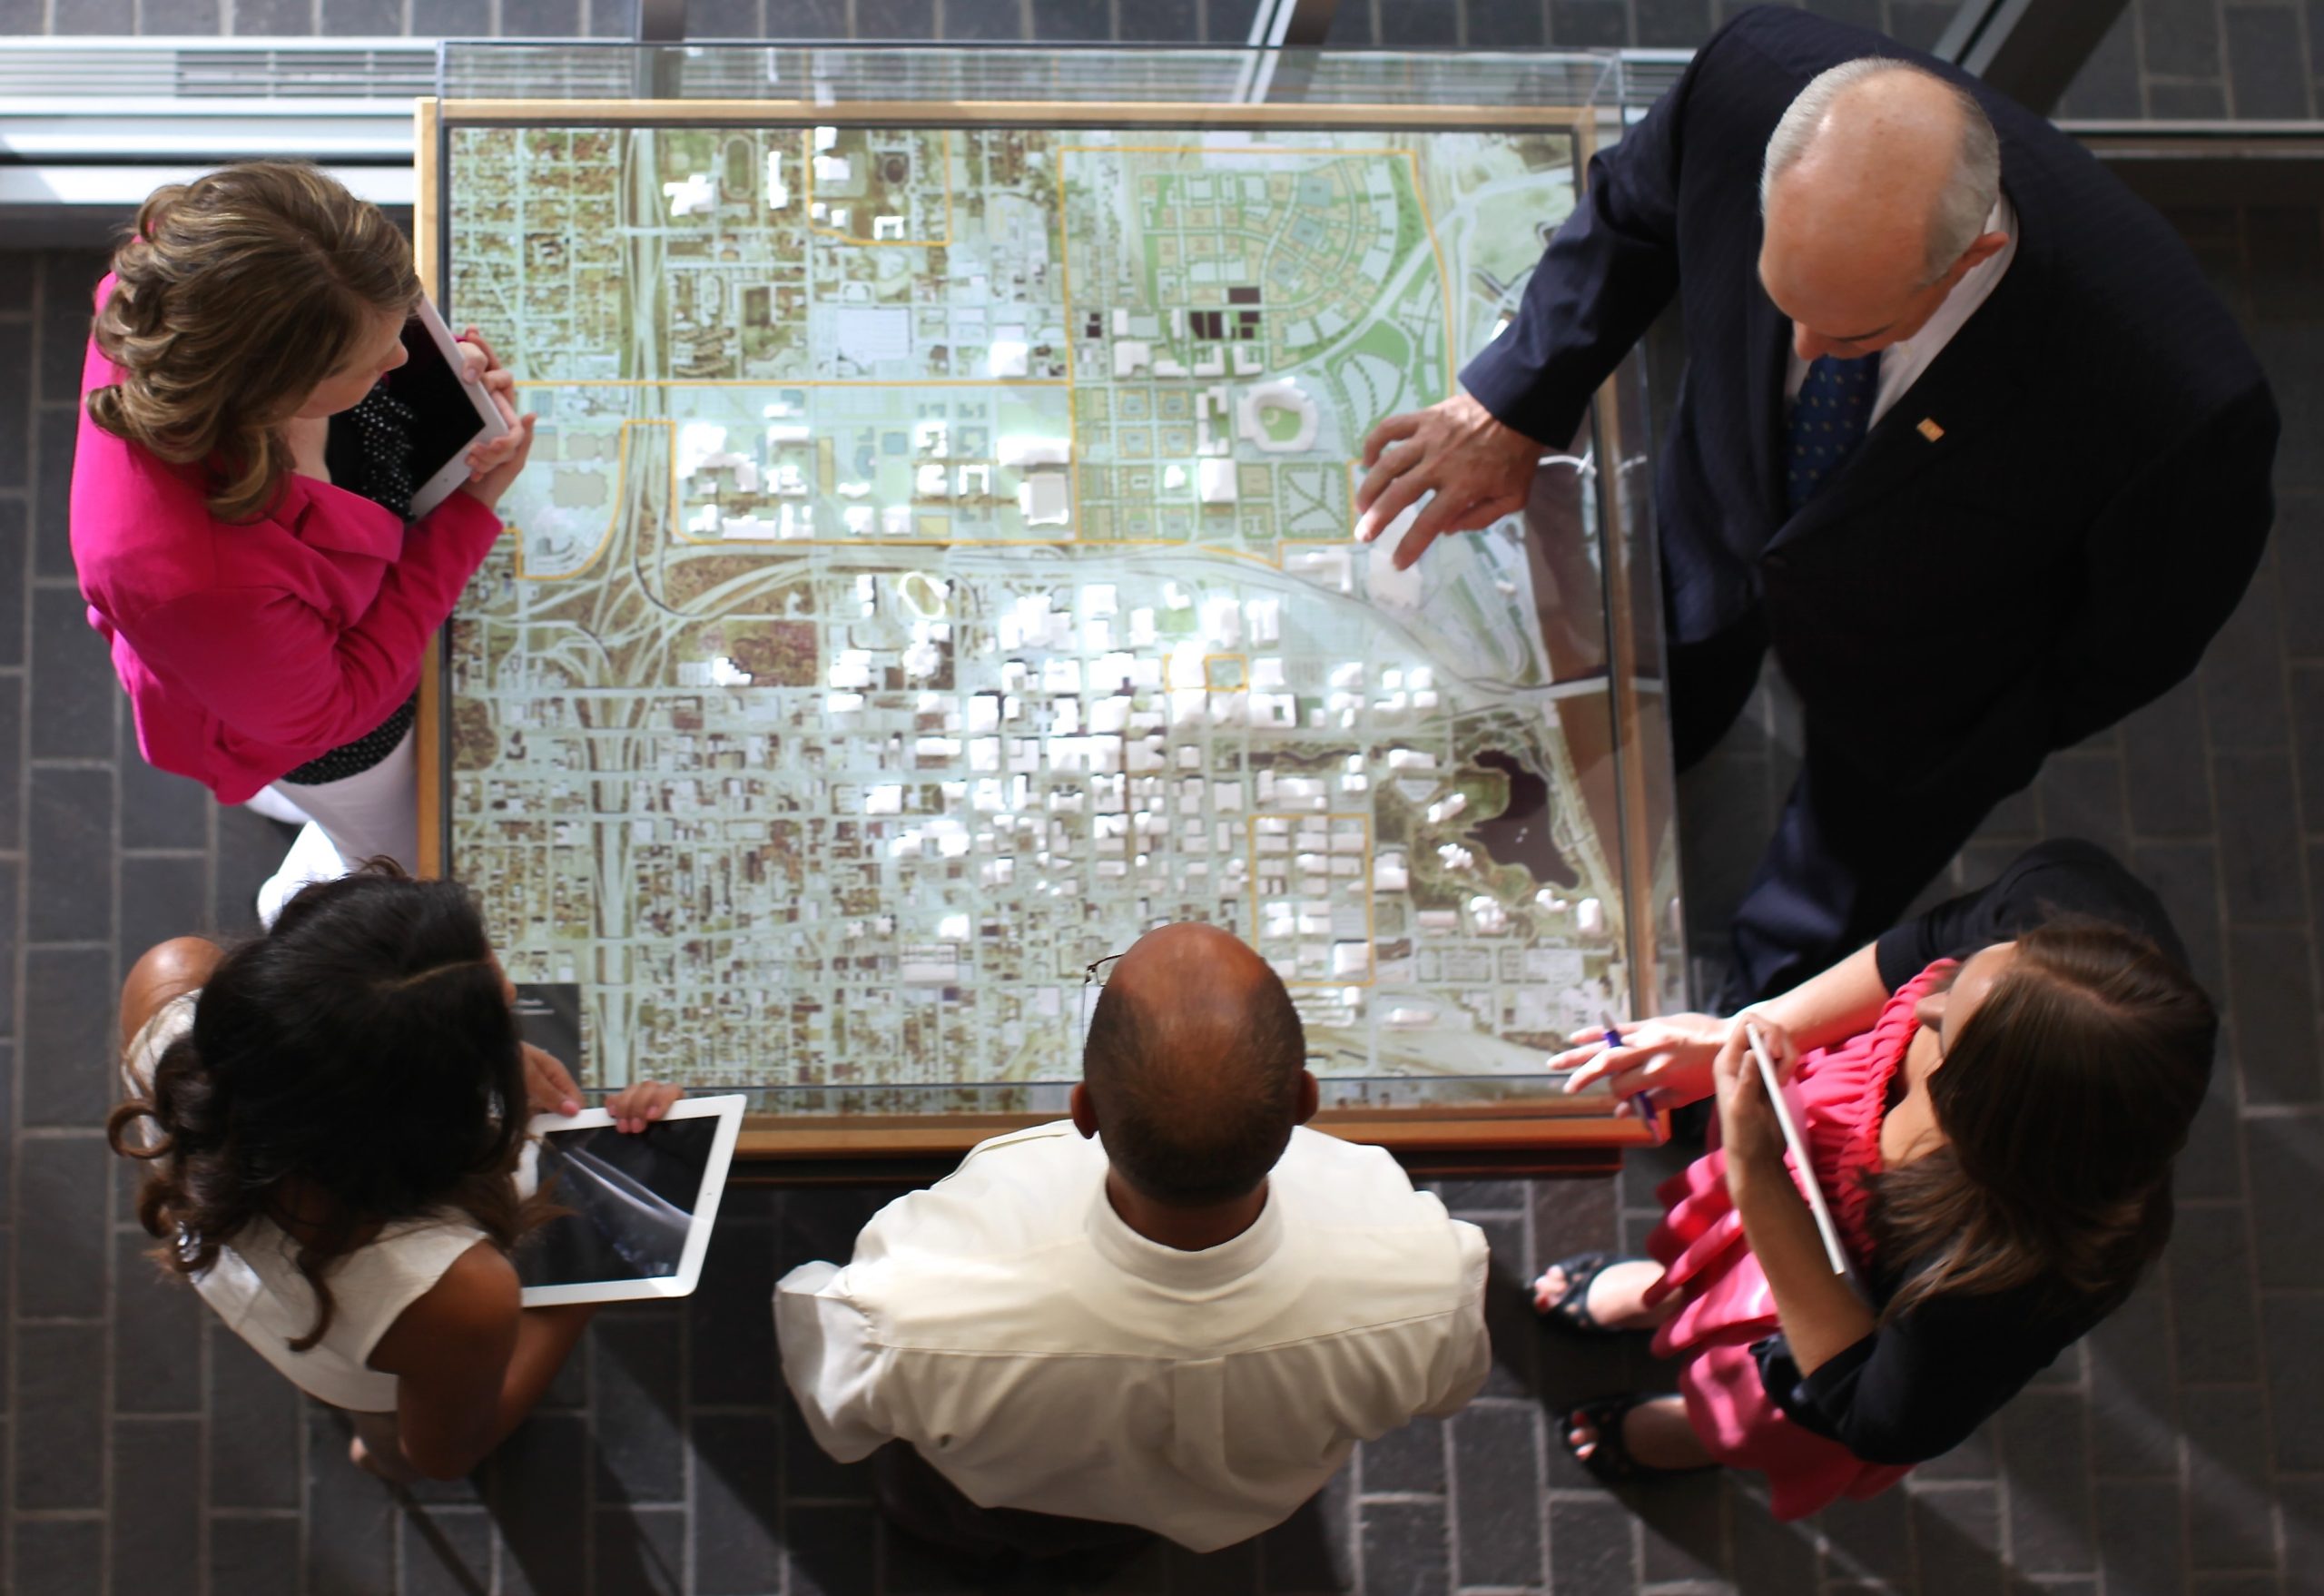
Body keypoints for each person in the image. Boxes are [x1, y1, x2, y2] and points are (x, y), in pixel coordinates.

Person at [1354, 11, 2277, 1006]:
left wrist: (1986, 732)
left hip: (1915, 695)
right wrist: (1513, 401)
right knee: (1677, 669)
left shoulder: (2181, 408)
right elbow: (1629, 212)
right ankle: (1677, 746)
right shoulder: (1745, 84)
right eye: (1779, 296)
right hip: (1720, 518)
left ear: (1970, 259)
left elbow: (2137, 641)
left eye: (1851, 328)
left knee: (1820, 903)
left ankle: (1750, 1038)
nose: (1797, 351)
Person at [1529, 840, 2212, 1518]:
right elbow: (1933, 941)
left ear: (1984, 1132)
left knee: (1756, 1406)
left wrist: (1758, 1173)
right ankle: (1679, 1301)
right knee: (1719, 1261)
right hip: (1800, 1164)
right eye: (1965, 973)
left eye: (1945, 1039)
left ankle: (1703, 1432)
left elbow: (1873, 1411)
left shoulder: (2004, 1285)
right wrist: (1740, 1030)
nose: (1921, 1008)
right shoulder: (2073, 914)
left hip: (1827, 1331)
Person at [776, 921, 1492, 1560]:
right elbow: (1449, 1390)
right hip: (1240, 1506)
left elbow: (834, 1394)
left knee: (966, 1535)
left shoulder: (915, 1296)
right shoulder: (1428, 1274)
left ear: (1083, 1110)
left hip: (1006, 1505)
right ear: (1305, 1100)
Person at [70, 160, 537, 917]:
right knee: (400, 857)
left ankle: (285, 800)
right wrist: (472, 508)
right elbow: (335, 708)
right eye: (371, 357)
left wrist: (436, 382)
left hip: (256, 684)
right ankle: (293, 896)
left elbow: (367, 376)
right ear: (272, 390)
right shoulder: (201, 581)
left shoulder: (178, 275)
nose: (401, 356)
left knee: (299, 777)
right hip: (330, 734)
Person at [110, 867, 678, 1483]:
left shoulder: (168, 978)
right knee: (391, 1437)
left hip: (230, 1255)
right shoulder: (461, 1290)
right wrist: (588, 1278)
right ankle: (374, 1453)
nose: (511, 988)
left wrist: (460, 1054)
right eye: (495, 1021)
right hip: (363, 1366)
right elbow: (443, 1456)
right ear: (424, 1117)